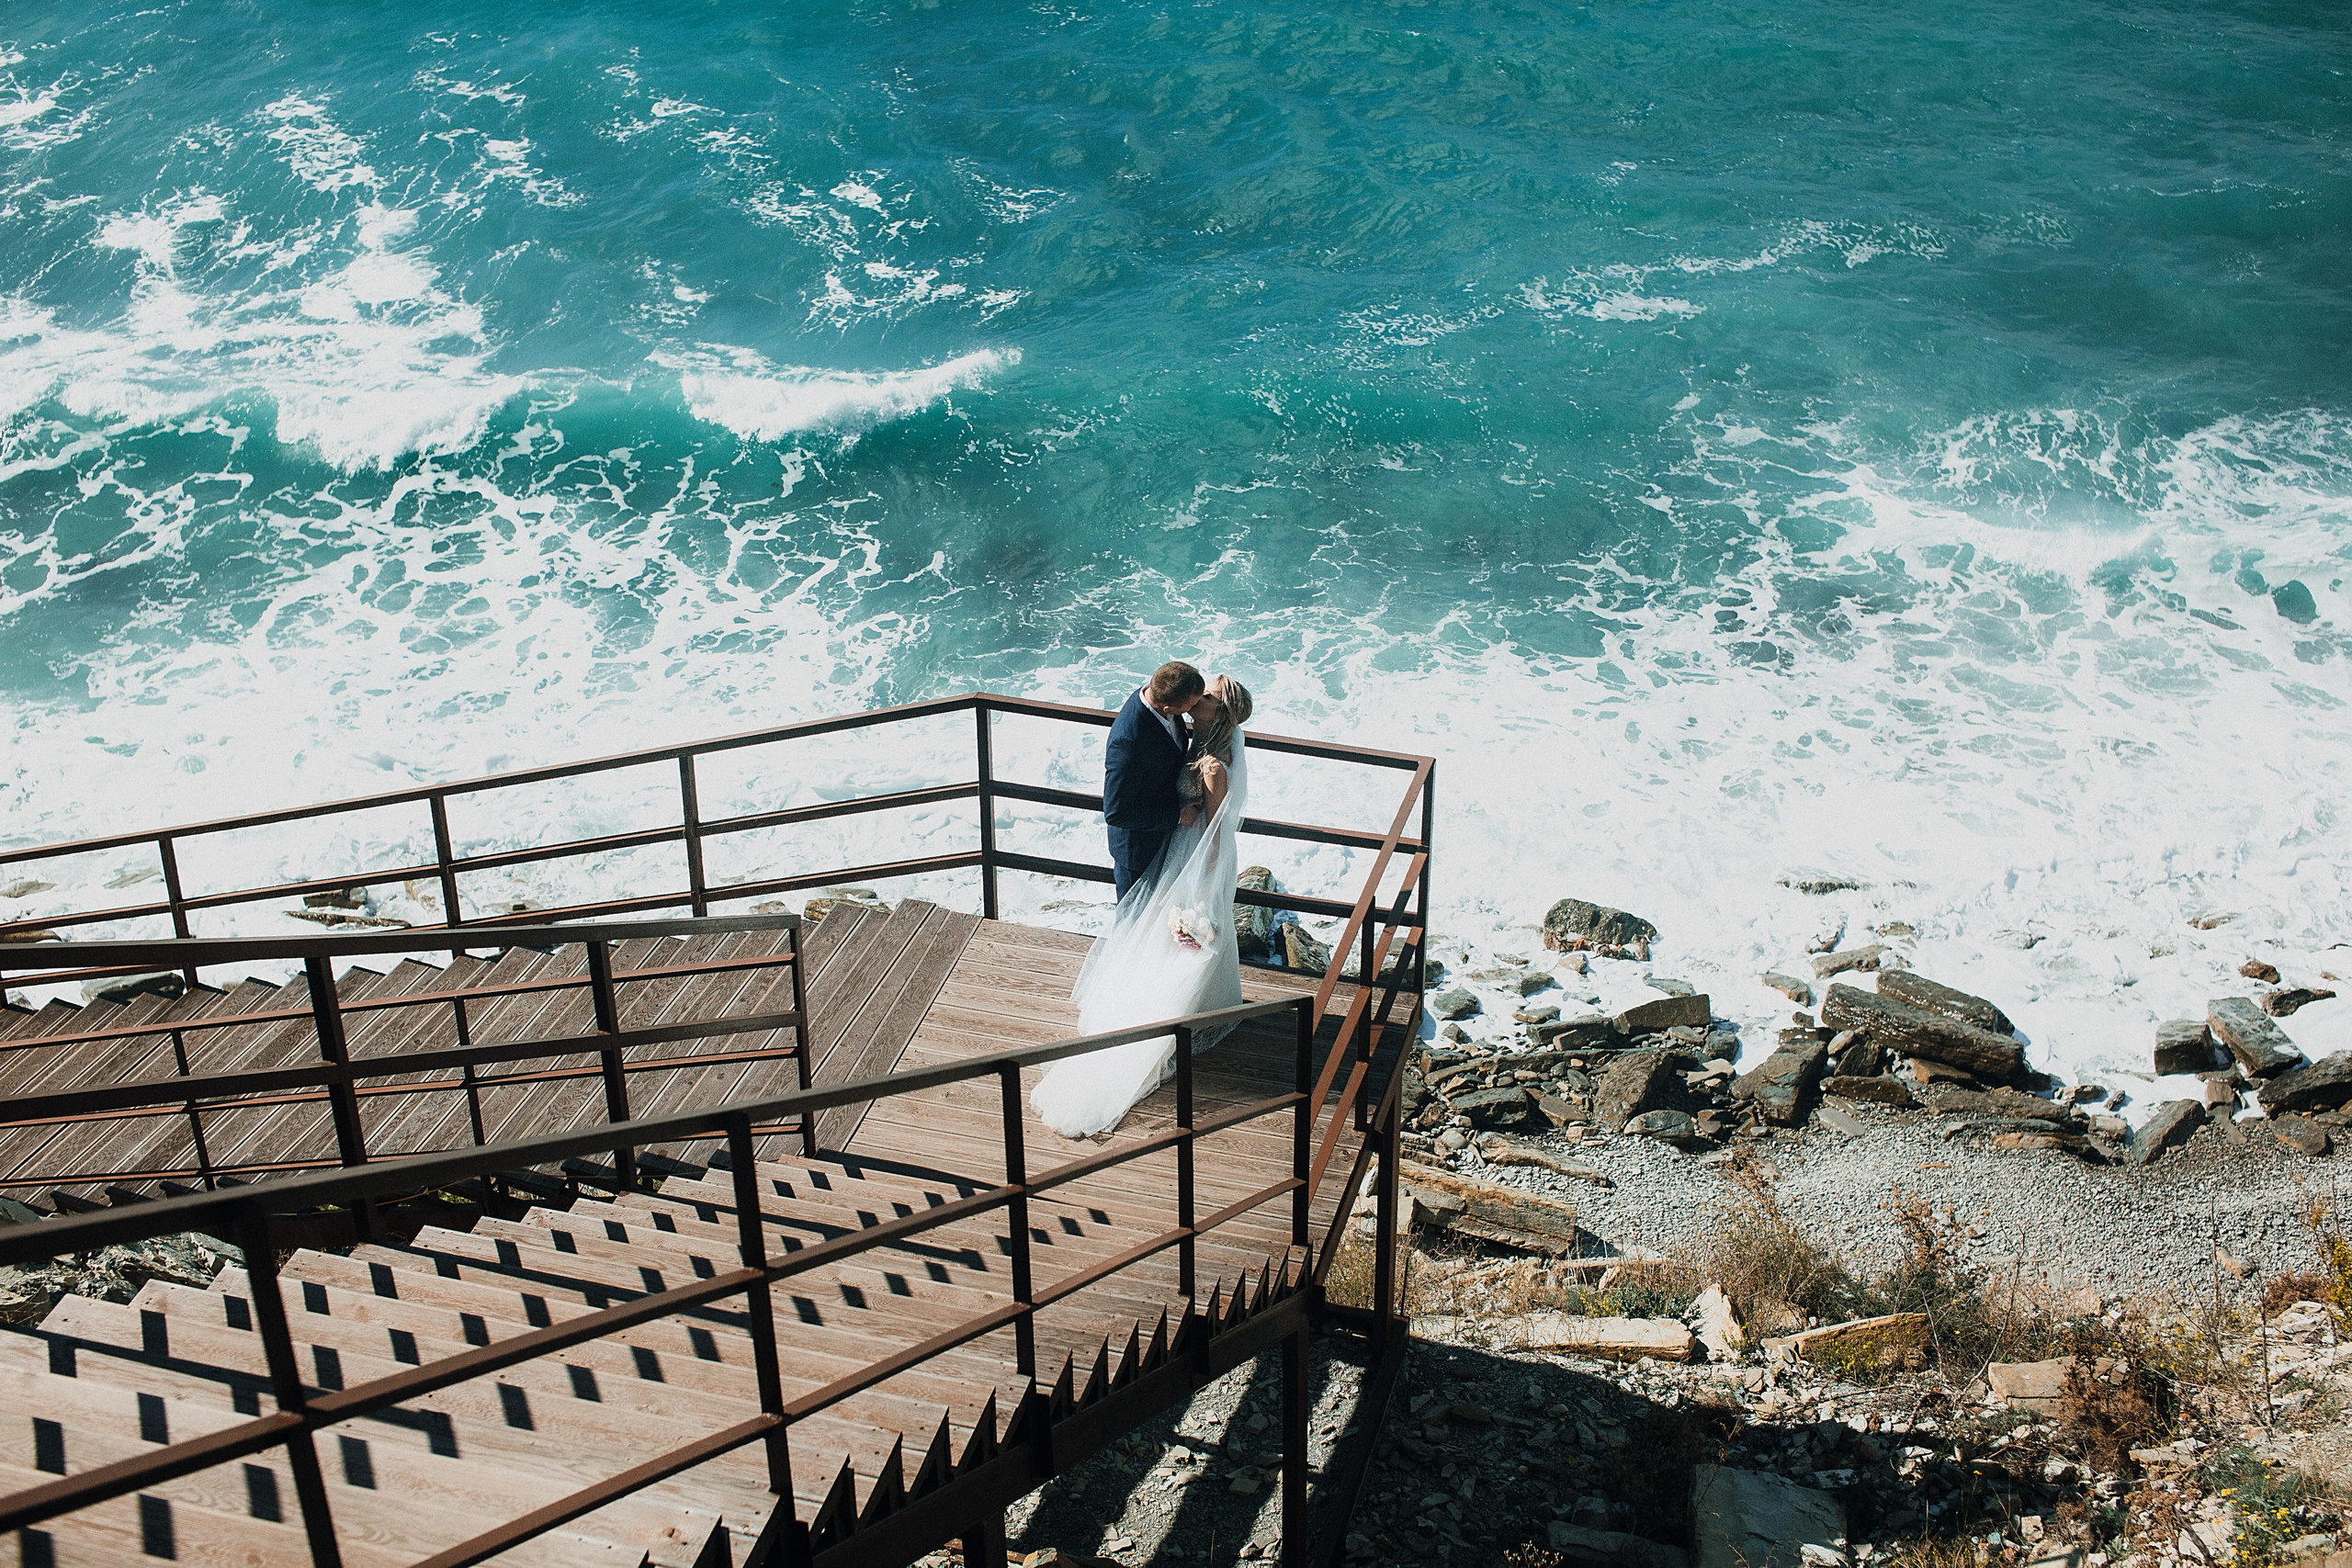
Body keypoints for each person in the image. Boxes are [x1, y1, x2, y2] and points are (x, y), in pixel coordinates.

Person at [1034, 673, 1257, 1138]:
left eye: (1210, 697)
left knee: (1178, 940)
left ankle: (1188, 1009)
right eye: (1200, 694)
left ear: (1220, 715)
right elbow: (1122, 804)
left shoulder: (1213, 762)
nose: (1202, 699)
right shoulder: (1181, 731)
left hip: (1194, 856)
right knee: (1149, 931)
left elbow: (1215, 836)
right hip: (1165, 844)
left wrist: (1203, 889)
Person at [1102, 662, 1213, 899]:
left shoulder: (1161, 699)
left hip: (1165, 838)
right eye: (1191, 705)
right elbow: (1116, 813)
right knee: (1134, 923)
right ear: (1169, 707)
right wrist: (1177, 817)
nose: (1195, 708)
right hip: (1138, 850)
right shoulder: (1128, 742)